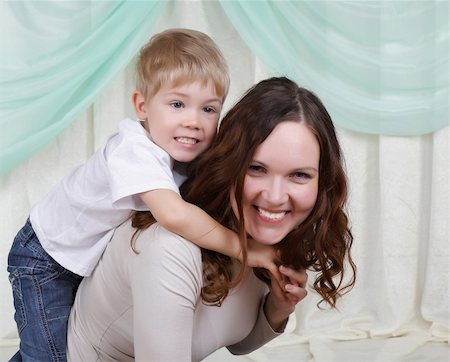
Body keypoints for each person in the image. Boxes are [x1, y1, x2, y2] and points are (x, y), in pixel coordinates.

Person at [7, 29, 278, 362]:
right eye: (177, 104)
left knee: (51, 344)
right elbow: (174, 215)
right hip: (45, 258)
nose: (193, 121)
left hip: (83, 257)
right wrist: (245, 249)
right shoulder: (134, 149)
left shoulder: (183, 153)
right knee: (49, 355)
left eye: (208, 110)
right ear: (142, 106)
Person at [66, 77, 357, 361]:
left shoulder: (257, 238)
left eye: (299, 175)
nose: (276, 196)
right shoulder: (170, 248)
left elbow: (234, 341)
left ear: (323, 183)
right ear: (230, 165)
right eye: (256, 169)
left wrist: (277, 308)